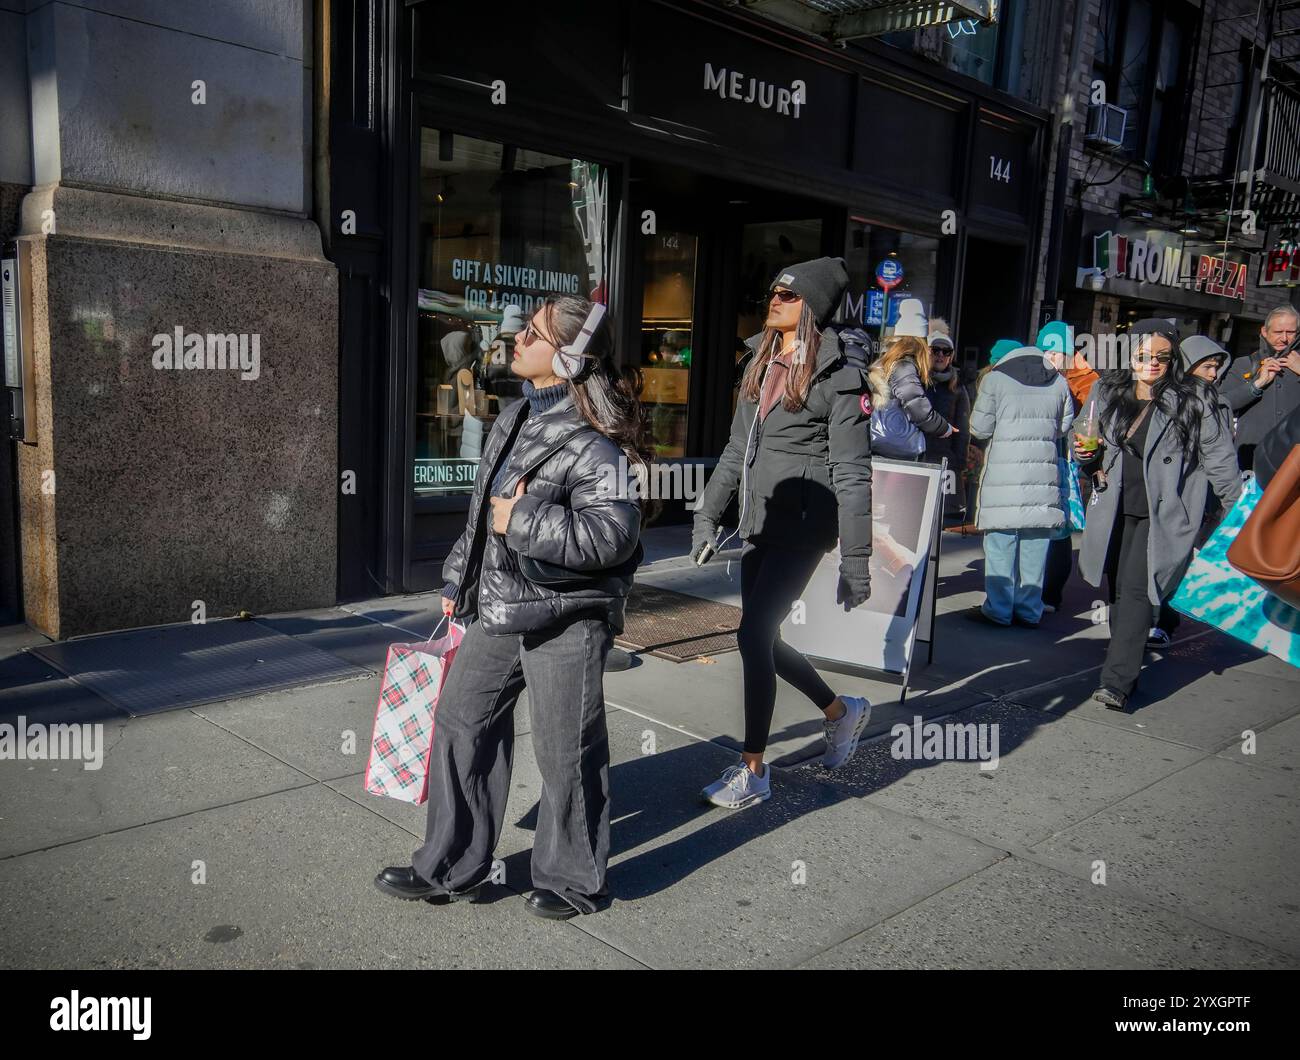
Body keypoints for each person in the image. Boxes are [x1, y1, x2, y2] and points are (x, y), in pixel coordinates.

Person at [375, 295, 651, 920]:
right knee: (459, 724)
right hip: (500, 605)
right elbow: (481, 518)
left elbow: (613, 537)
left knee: (565, 753)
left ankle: (572, 880)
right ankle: (450, 865)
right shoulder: (513, 416)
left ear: (571, 359)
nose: (518, 339)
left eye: (534, 333)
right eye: (523, 329)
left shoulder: (594, 444)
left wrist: (523, 518)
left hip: (567, 617)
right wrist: (458, 578)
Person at [691, 256, 874, 808]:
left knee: (751, 636)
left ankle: (753, 771)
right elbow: (733, 452)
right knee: (763, 638)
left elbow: (852, 470)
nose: (775, 299)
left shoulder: (840, 377)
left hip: (803, 525)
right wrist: (707, 515)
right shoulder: (761, 363)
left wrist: (856, 561)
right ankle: (842, 712)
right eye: (774, 291)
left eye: (789, 295)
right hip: (760, 521)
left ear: (813, 308)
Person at [1073, 319, 1242, 712]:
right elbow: (1082, 432)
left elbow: (1219, 458)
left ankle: (1117, 681)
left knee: (1136, 591)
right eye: (1144, 355)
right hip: (1112, 503)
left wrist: (1240, 511)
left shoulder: (1195, 397)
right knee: (1117, 589)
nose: (1152, 364)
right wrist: (1084, 451)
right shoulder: (1107, 388)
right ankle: (1124, 653)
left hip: (1162, 509)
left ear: (1173, 359)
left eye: (1162, 357)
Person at [964, 338, 1074, 627]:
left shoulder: (995, 380)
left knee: (1001, 544)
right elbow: (1063, 428)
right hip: (1043, 477)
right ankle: (1029, 610)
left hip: (1004, 474)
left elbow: (979, 427)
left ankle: (998, 610)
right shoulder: (1059, 382)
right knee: (1036, 545)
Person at [1037, 322, 1100, 615]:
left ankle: (1050, 593)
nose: (1052, 358)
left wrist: (1081, 374)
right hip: (1037, 459)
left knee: (1059, 529)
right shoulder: (1033, 376)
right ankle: (1035, 589)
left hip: (1064, 461)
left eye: (1058, 352)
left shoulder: (1082, 380)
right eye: (1047, 352)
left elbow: (1093, 411)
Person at [867, 298, 955, 457]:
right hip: (897, 447)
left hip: (879, 444)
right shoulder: (904, 365)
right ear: (921, 342)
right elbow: (916, 405)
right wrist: (944, 428)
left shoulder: (887, 359)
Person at [1219, 304, 1300, 470]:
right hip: (1251, 459)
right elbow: (1222, 403)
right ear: (1264, 331)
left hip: (1294, 461)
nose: (1284, 338)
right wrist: (1256, 385)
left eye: (1290, 332)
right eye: (1278, 332)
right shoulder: (1245, 364)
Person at [922, 318, 970, 519]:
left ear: (951, 357)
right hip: (918, 459)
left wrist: (958, 462)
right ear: (927, 352)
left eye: (946, 351)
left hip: (944, 461)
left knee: (940, 518)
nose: (941, 355)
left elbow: (963, 429)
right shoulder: (915, 380)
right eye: (935, 350)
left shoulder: (957, 388)